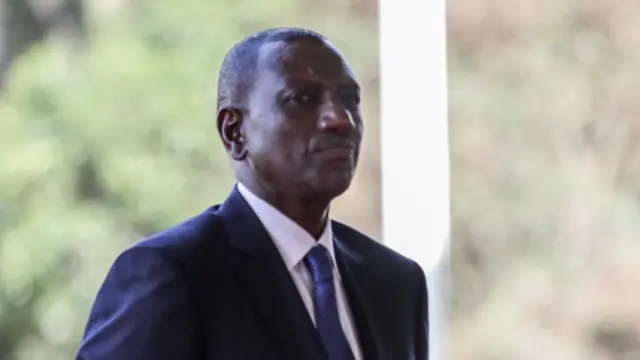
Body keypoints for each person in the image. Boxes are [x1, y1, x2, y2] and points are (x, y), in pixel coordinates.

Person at [76, 27, 429, 360]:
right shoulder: (174, 274)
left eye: (350, 99)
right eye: (301, 99)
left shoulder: (395, 283)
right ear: (235, 132)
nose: (340, 120)